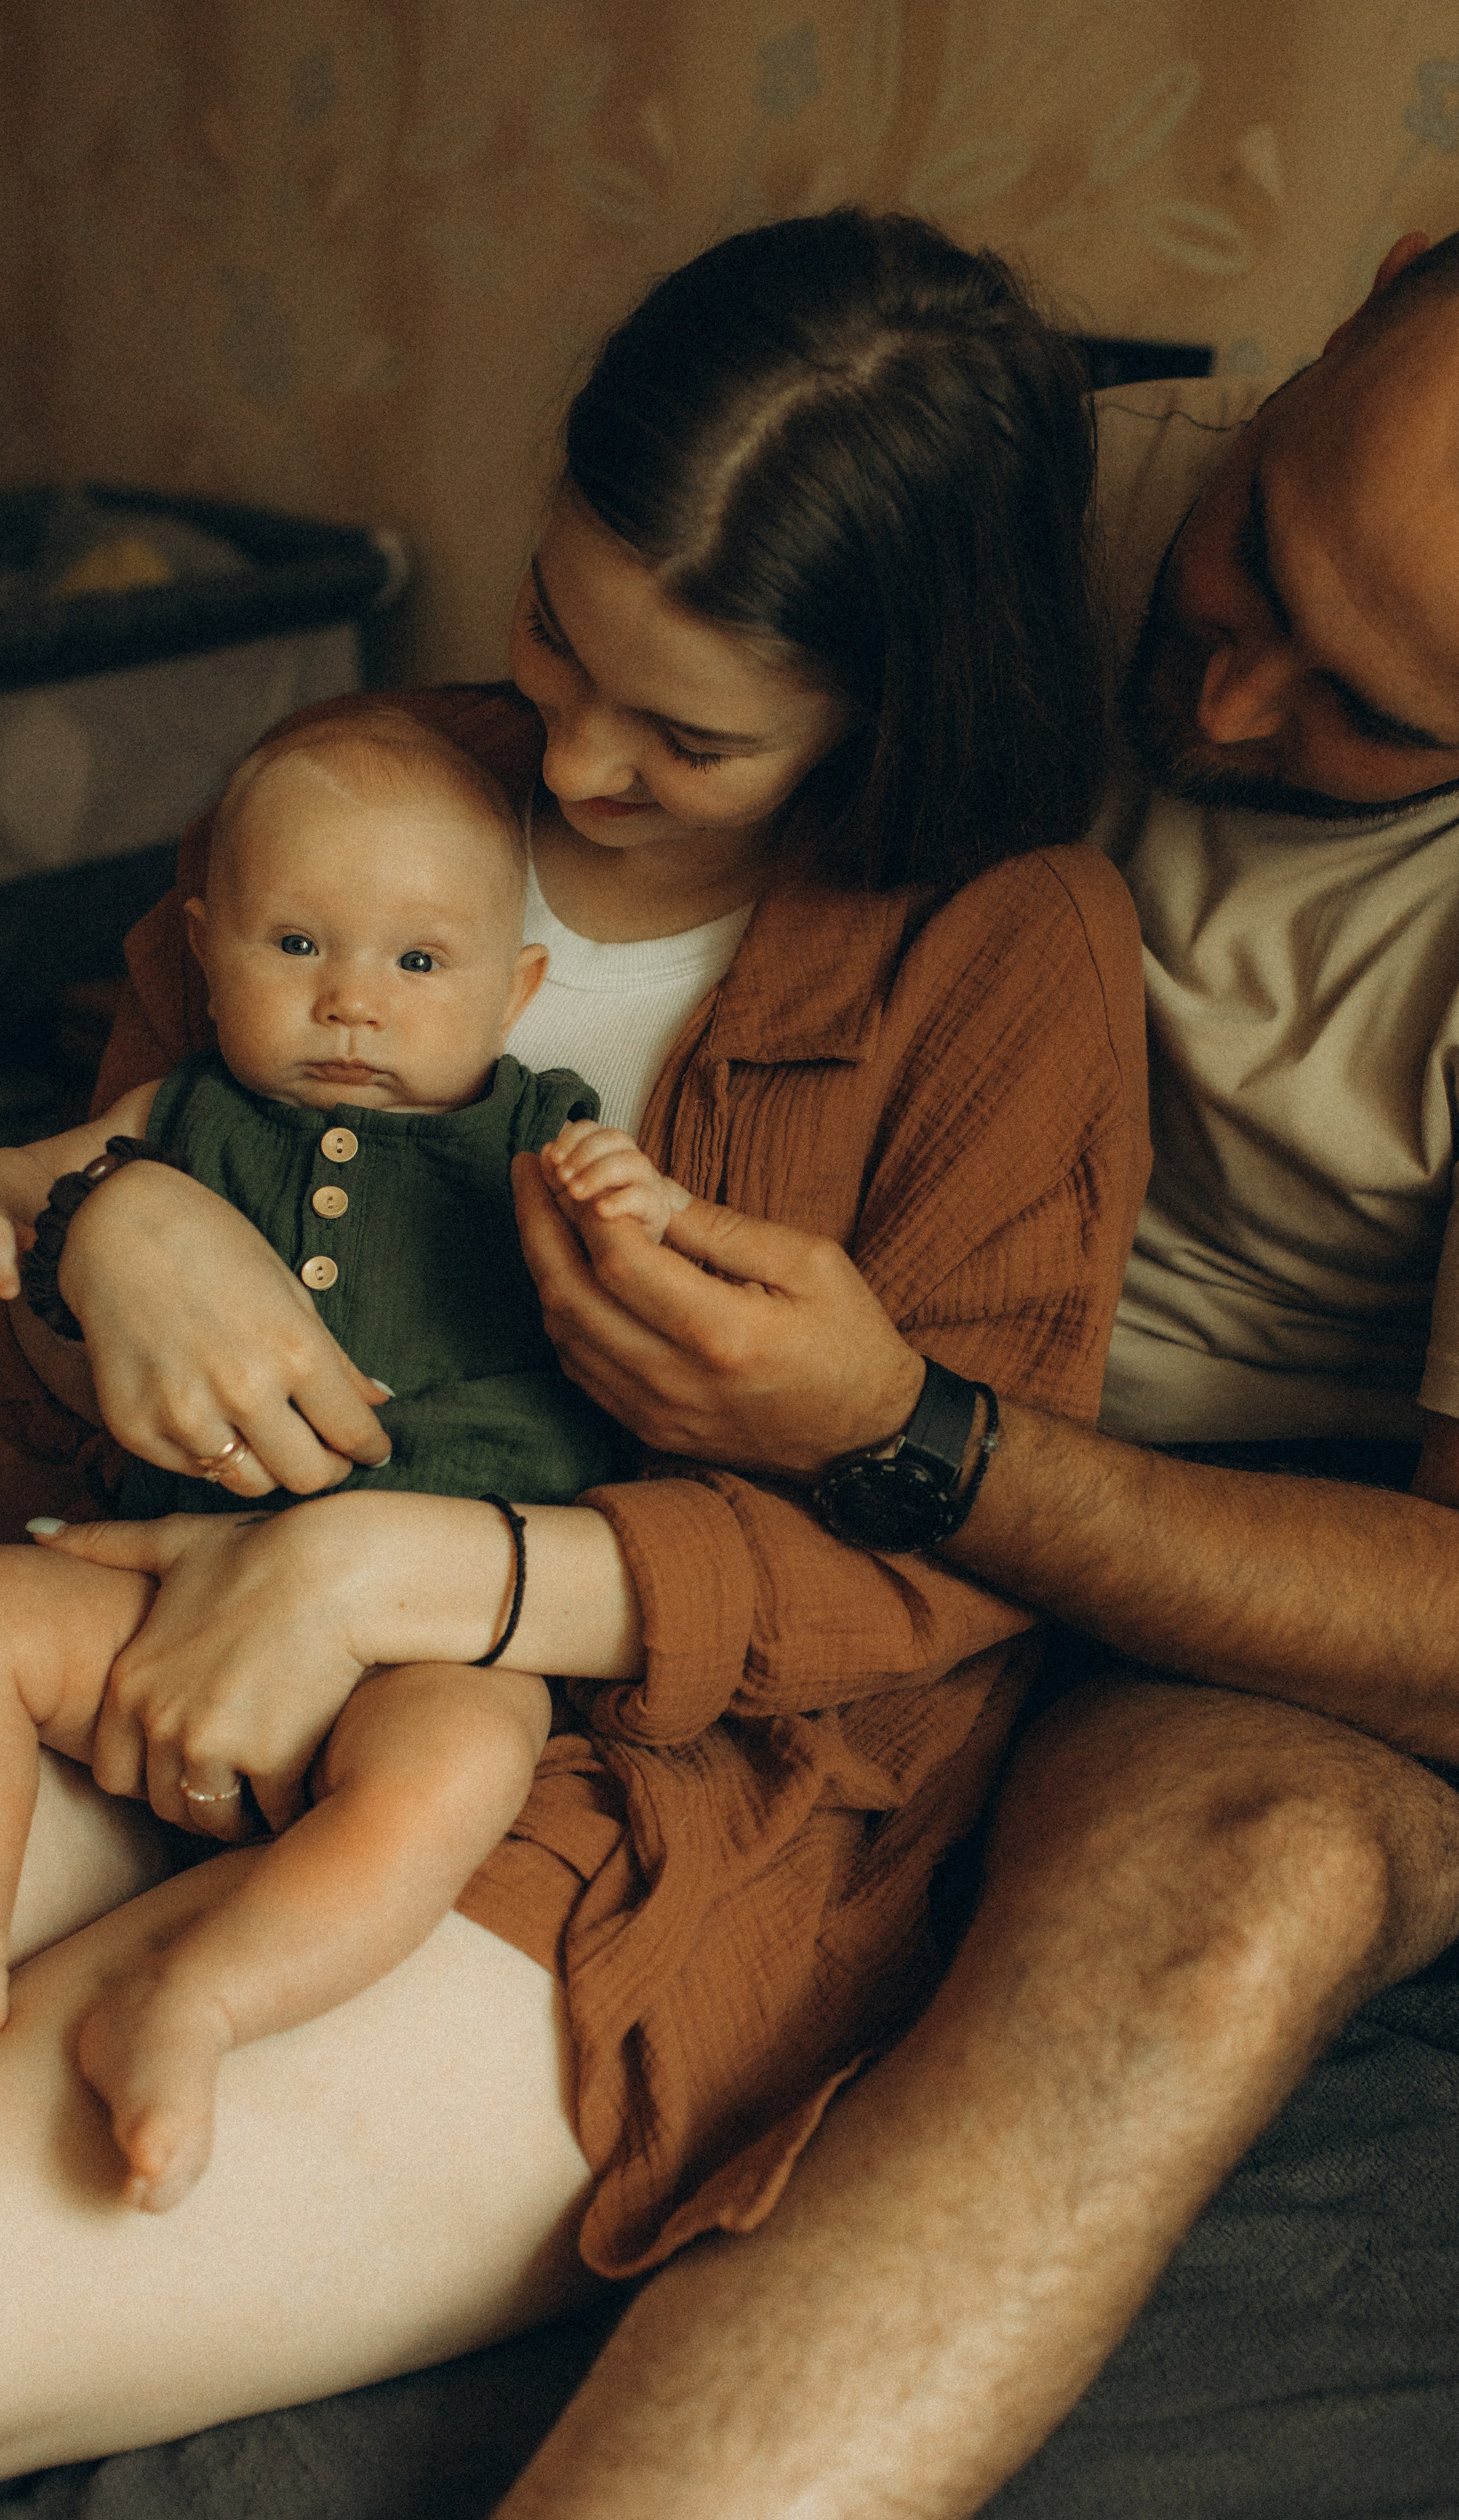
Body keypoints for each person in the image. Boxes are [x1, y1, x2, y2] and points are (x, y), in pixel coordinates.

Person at [0, 208, 1151, 2518]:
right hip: (148, 1593)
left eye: (690, 734)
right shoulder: (360, 782)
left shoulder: (1010, 956)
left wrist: (402, 1576)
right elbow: (44, 1327)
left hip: (624, 1778)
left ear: (892, 699)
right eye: (554, 635)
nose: (575, 759)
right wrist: (111, 1226)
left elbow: (961, 1551)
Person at [462, 228, 1459, 2517]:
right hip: (721, 1314)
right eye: (1256, 559)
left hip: (1207, 1558)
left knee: (1249, 1893)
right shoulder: (1026, 480)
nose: (1227, 709)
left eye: (1382, 718)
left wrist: (909, 1437)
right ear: (1373, 295)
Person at [0, 706, 691, 2217]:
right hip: (160, 1586)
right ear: (206, 952)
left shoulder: (538, 1140)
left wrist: (633, 1209)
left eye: (419, 963)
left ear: (517, 989)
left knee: (467, 1763)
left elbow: (660, 1305)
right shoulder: (182, 1114)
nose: (352, 1004)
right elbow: (23, 1181)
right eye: (296, 946)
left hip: (421, 1643)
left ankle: (199, 1999)